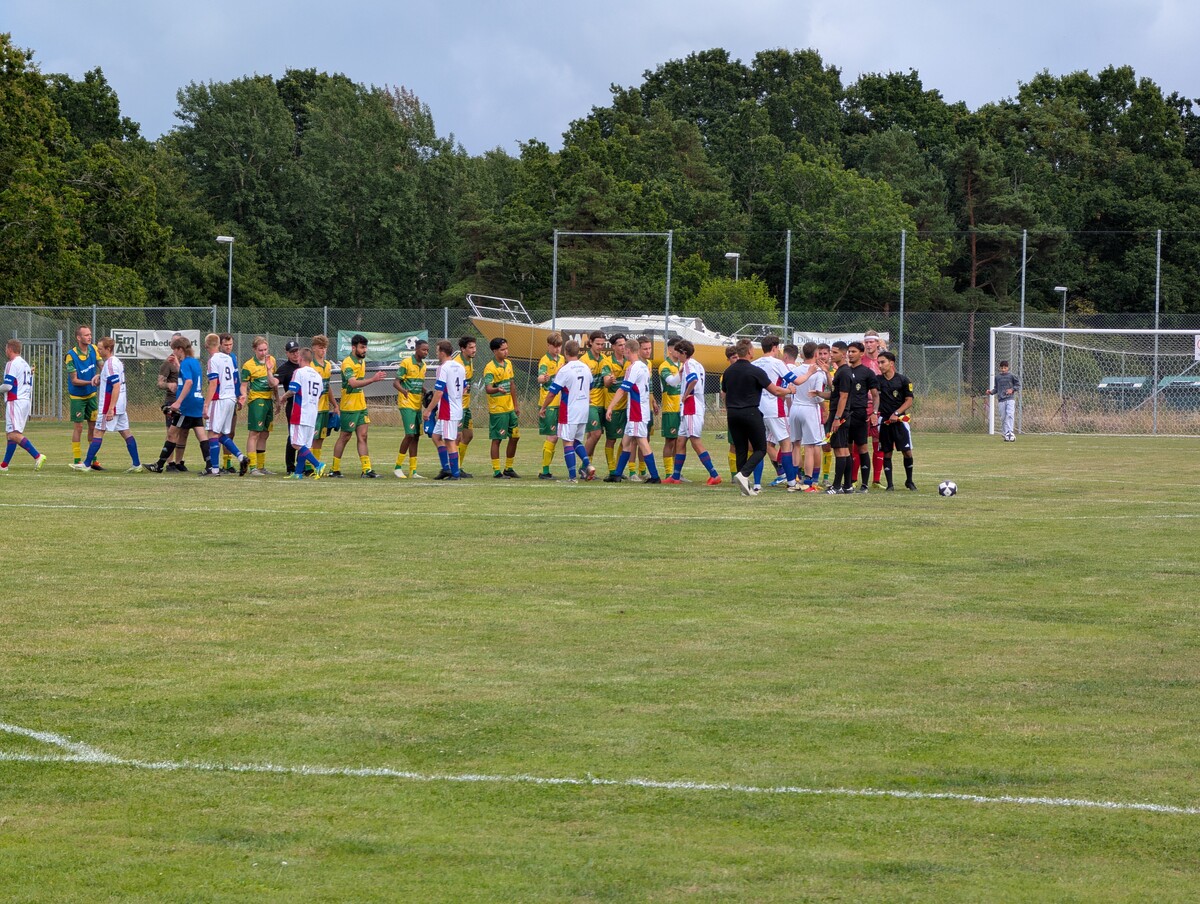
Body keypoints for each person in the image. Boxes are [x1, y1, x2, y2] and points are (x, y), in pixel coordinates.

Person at [721, 339, 789, 497]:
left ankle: (744, 486)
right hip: (750, 412)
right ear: (749, 352)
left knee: (741, 449)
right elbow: (775, 391)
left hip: (733, 413)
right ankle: (744, 474)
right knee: (761, 448)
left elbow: (724, 393)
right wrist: (790, 390)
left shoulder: (728, 372)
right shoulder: (755, 371)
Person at [74, 337, 142, 472]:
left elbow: (116, 386)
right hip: (120, 404)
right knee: (126, 432)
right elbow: (112, 379)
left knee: (98, 432)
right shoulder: (115, 362)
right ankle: (136, 464)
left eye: (100, 349)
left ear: (108, 349)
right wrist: (100, 376)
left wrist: (110, 409)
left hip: (110, 405)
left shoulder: (110, 364)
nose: (98, 351)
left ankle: (86, 464)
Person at [148, 336, 212, 474]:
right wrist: (177, 365)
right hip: (197, 401)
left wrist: (178, 402)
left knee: (172, 434)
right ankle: (210, 466)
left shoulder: (186, 363)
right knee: (201, 434)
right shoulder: (194, 362)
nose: (173, 352)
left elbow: (188, 382)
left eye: (174, 349)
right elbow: (188, 377)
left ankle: (159, 465)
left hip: (186, 404)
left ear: (180, 349)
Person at [329, 334, 388, 478]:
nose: (364, 350)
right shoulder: (347, 363)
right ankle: (334, 469)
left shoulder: (362, 362)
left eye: (365, 347)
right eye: (362, 347)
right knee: (345, 436)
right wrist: (373, 379)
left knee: (363, 436)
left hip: (361, 405)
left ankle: (366, 470)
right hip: (349, 406)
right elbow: (353, 383)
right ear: (353, 348)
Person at [665, 339, 722, 485]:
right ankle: (675, 476)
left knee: (695, 441)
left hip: (692, 406)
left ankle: (714, 474)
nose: (677, 355)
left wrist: (685, 395)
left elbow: (694, 380)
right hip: (691, 407)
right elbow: (676, 381)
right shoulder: (696, 364)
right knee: (680, 440)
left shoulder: (689, 364)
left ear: (684, 353)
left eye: (678, 352)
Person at [603, 338, 660, 483]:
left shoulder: (634, 367)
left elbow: (623, 390)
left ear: (628, 351)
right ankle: (616, 475)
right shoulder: (643, 366)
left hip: (637, 411)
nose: (624, 353)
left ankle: (655, 476)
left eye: (625, 350)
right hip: (639, 409)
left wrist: (610, 407)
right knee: (626, 441)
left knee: (642, 442)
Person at [538, 339, 595, 483]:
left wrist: (543, 407)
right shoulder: (585, 367)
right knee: (576, 440)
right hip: (584, 410)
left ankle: (572, 477)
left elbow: (552, 392)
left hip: (569, 411)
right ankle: (588, 465)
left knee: (568, 442)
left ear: (565, 352)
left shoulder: (565, 369)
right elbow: (591, 385)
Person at [752, 335, 802, 492]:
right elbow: (796, 381)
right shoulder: (777, 363)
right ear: (775, 347)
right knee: (786, 443)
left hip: (757, 408)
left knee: (759, 447)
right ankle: (791, 482)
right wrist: (810, 372)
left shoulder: (754, 364)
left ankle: (757, 484)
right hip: (774, 408)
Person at [827, 341, 878, 494]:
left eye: (853, 351)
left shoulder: (866, 372)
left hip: (858, 414)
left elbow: (875, 395)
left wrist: (874, 412)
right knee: (846, 449)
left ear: (861, 354)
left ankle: (863, 484)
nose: (850, 354)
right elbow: (836, 393)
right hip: (846, 413)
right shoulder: (845, 370)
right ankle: (848, 483)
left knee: (861, 447)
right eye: (849, 351)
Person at [275, 347, 327, 479]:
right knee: (304, 444)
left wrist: (283, 397)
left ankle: (318, 464)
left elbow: (293, 390)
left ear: (300, 358)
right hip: (312, 413)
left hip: (300, 412)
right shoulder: (318, 376)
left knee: (295, 443)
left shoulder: (299, 372)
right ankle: (298, 473)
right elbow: (321, 393)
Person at [203, 333, 250, 476]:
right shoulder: (229, 358)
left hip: (220, 399)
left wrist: (206, 404)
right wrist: (238, 396)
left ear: (206, 346)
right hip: (230, 399)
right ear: (219, 344)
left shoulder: (213, 360)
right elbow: (235, 379)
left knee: (212, 432)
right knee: (221, 434)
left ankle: (214, 469)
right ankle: (241, 457)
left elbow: (213, 383)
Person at [423, 340, 467, 480]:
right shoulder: (460, 367)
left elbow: (439, 392)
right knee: (436, 437)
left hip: (448, 411)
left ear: (442, 352)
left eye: (437, 351)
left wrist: (428, 410)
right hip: (454, 408)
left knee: (449, 440)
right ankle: (446, 469)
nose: (436, 354)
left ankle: (455, 474)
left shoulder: (443, 368)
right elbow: (465, 388)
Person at [2, 339, 46, 474]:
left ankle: (37, 456)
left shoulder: (11, 364)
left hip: (15, 401)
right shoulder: (25, 364)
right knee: (11, 434)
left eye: (6, 348)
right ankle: (4, 465)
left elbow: (7, 386)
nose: (5, 351)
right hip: (25, 401)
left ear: (10, 349)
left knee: (13, 434)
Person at [789, 341, 828, 492]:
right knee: (811, 446)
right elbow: (817, 395)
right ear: (816, 354)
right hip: (809, 409)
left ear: (802, 354)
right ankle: (809, 481)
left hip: (795, 408)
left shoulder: (796, 370)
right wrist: (824, 407)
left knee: (795, 444)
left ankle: (795, 479)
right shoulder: (818, 372)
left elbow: (791, 389)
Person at [875, 350, 916, 490]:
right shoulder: (877, 380)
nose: (880, 365)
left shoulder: (903, 380)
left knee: (907, 451)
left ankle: (909, 481)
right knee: (887, 451)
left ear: (891, 363)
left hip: (900, 421)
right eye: (878, 363)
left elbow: (909, 400)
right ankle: (890, 485)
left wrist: (897, 413)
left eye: (883, 362)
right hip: (884, 421)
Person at [65, 325, 103, 470]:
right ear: (78, 337)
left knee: (93, 427)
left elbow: (102, 366)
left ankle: (93, 461)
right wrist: (91, 381)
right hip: (77, 397)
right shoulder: (71, 355)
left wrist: (105, 374)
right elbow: (74, 380)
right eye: (86, 335)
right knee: (79, 427)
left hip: (91, 395)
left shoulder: (94, 349)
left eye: (90, 334)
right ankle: (77, 460)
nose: (89, 337)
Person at [239, 337, 278, 475]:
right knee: (254, 433)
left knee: (265, 433)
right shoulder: (248, 365)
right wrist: (243, 396)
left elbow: (274, 382)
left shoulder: (271, 360)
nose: (263, 353)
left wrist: (277, 399)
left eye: (265, 349)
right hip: (257, 400)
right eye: (260, 350)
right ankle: (253, 467)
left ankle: (261, 466)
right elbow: (243, 385)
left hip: (268, 400)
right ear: (254, 349)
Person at [484, 337, 520, 478]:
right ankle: (497, 471)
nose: (506, 352)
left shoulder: (508, 364)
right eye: (502, 349)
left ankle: (509, 468)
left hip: (510, 408)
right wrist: (497, 389)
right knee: (497, 439)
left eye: (507, 349)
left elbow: (512, 385)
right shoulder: (490, 368)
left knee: (515, 436)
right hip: (498, 410)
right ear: (495, 351)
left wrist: (516, 405)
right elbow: (488, 389)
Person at [393, 338, 428, 479]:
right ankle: (398, 467)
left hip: (417, 404)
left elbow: (418, 383)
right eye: (423, 350)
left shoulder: (423, 366)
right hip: (406, 402)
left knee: (416, 436)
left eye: (427, 350)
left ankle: (413, 471)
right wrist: (403, 391)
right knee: (409, 434)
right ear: (416, 349)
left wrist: (427, 392)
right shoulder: (406, 363)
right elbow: (396, 382)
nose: (426, 352)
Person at [156, 333, 189, 471]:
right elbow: (159, 383)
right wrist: (168, 385)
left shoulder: (187, 362)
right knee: (171, 431)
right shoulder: (168, 363)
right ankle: (169, 463)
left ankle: (179, 461)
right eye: (174, 344)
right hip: (172, 401)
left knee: (184, 432)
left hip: (185, 401)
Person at [536, 332, 564, 479]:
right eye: (555, 346)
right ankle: (544, 471)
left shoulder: (562, 359)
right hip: (549, 403)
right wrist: (544, 378)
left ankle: (546, 470)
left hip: (561, 402)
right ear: (548, 346)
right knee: (552, 437)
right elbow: (540, 377)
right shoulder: (544, 360)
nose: (557, 349)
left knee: (557, 437)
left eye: (559, 346)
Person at [309, 335, 338, 470]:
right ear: (314, 348)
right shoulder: (311, 366)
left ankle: (316, 465)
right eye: (320, 348)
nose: (323, 350)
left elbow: (328, 386)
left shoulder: (327, 365)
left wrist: (335, 404)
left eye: (325, 348)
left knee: (321, 437)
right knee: (311, 437)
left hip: (324, 407)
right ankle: (308, 466)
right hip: (314, 408)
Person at [274, 340, 303, 475]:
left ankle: (302, 465)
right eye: (292, 352)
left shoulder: (304, 365)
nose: (295, 354)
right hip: (292, 405)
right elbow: (274, 382)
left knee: (304, 436)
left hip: (305, 405)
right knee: (293, 435)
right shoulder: (284, 368)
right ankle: (290, 467)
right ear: (287, 353)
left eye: (297, 351)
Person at [862, 329, 886, 488]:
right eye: (866, 342)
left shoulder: (884, 360)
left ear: (877, 343)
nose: (869, 345)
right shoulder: (860, 360)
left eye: (871, 342)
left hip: (880, 407)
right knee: (859, 443)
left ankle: (876, 480)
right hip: (863, 407)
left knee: (879, 443)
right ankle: (855, 479)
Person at [601, 334, 627, 475]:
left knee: (626, 440)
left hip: (627, 406)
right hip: (613, 406)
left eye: (624, 344)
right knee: (611, 439)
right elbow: (606, 382)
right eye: (620, 345)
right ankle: (612, 469)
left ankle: (618, 469)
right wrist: (609, 380)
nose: (623, 347)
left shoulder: (629, 360)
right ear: (613, 347)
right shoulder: (607, 362)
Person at [581, 331, 609, 463]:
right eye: (597, 344)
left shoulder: (604, 359)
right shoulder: (584, 361)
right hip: (590, 402)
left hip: (603, 402)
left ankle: (588, 465)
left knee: (592, 436)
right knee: (596, 434)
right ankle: (585, 465)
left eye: (602, 344)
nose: (600, 347)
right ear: (590, 342)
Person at [453, 335, 477, 476]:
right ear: (463, 349)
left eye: (474, 347)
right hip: (458, 407)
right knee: (457, 436)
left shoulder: (469, 361)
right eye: (471, 347)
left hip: (465, 406)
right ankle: (454, 468)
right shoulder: (457, 364)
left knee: (468, 436)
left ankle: (458, 467)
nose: (474, 350)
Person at [658, 337, 681, 473]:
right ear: (670, 349)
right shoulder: (664, 366)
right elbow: (672, 382)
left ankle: (677, 473)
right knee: (670, 441)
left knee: (680, 441)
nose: (680, 351)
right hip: (670, 408)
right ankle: (668, 472)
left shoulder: (683, 364)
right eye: (677, 348)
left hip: (682, 408)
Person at [986, 360, 1020, 441]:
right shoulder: (997, 377)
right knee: (1003, 417)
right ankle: (1005, 433)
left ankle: (1010, 432)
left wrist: (1012, 390)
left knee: (1010, 414)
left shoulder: (1012, 376)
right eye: (1002, 368)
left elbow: (1018, 385)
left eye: (1005, 368)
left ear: (1008, 368)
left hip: (1010, 399)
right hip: (1001, 400)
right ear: (999, 368)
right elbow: (996, 389)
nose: (1003, 369)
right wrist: (991, 392)